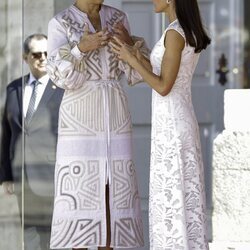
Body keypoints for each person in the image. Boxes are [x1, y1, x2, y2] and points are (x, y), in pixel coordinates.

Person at [46, 0, 149, 249]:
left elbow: (136, 72)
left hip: (115, 114)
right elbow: (60, 77)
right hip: (80, 118)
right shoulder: (60, 23)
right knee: (80, 194)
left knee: (113, 194)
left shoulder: (118, 18)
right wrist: (81, 47)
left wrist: (128, 45)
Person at [111, 0, 211, 249]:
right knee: (176, 193)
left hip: (173, 127)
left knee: (172, 194)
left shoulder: (175, 34)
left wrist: (131, 60)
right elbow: (159, 74)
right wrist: (131, 50)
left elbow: (163, 86)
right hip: (175, 121)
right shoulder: (180, 30)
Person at [0, 34, 64, 250]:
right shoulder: (14, 89)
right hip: (22, 175)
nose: (43, 58)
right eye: (37, 54)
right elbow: (7, 134)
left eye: (47, 53)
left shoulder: (62, 89)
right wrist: (6, 176)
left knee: (50, 236)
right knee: (29, 236)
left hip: (51, 175)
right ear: (25, 57)